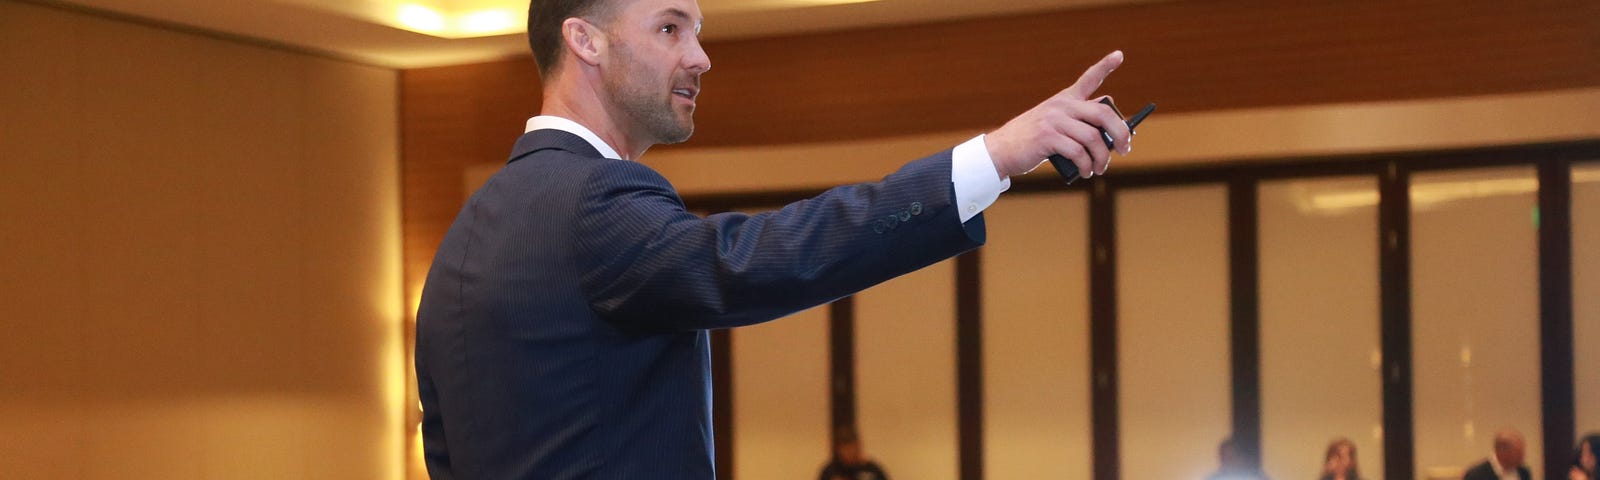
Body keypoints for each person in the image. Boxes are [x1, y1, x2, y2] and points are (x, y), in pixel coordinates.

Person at [412, 0, 1134, 478]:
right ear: (585, 41)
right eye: (670, 28)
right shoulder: (593, 201)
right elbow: (755, 260)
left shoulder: (460, 247)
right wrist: (997, 156)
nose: (701, 56)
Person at [817, 426, 888, 480]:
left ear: (858, 446)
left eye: (851, 448)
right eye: (845, 449)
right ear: (838, 450)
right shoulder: (830, 471)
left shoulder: (872, 470)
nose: (849, 453)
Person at [1462, 429, 1532, 480]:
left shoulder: (1523, 472)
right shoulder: (1476, 475)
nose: (1523, 456)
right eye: (1519, 452)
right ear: (1502, 452)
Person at [1204, 436, 1269, 480]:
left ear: (1241, 457)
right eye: (1223, 458)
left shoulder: (1256, 478)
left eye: (1231, 458)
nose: (1227, 462)